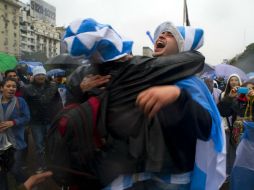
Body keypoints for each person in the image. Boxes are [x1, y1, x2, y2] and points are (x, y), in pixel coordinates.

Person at [23, 66, 62, 172]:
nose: (40, 76)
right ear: (34, 76)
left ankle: (53, 164)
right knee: (39, 145)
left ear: (45, 75)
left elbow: (58, 103)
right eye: (38, 74)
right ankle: (42, 165)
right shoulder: (27, 88)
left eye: (42, 74)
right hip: (36, 122)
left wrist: (59, 117)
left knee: (52, 143)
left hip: (50, 120)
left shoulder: (53, 87)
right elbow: (24, 106)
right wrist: (27, 123)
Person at [0, 78, 30, 189]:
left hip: (16, 143)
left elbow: (27, 118)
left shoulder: (20, 101)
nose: (11, 88)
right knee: (1, 173)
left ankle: (27, 183)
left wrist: (13, 122)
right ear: (1, 88)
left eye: (14, 86)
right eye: (8, 86)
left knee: (15, 169)